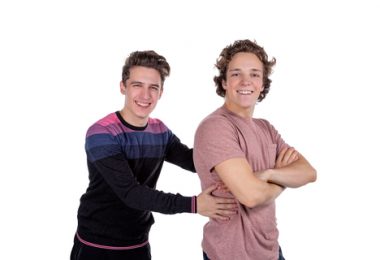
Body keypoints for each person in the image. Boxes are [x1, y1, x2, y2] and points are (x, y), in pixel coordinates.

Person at [70, 50, 237, 260]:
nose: (145, 95)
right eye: (137, 85)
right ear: (123, 87)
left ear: (161, 93)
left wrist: (238, 150)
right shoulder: (102, 133)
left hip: (138, 242)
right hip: (97, 245)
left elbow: (194, 161)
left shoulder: (160, 131)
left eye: (153, 88)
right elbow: (132, 193)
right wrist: (194, 204)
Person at [193, 39, 317, 260]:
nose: (245, 81)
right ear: (223, 82)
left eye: (254, 74)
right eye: (236, 74)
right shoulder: (215, 126)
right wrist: (283, 182)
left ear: (262, 83)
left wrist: (270, 173)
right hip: (229, 254)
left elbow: (309, 173)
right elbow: (250, 196)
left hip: (271, 251)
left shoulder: (266, 128)